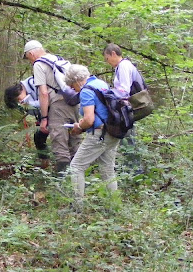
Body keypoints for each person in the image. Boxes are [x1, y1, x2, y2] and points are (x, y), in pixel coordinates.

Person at [23, 40, 81, 174]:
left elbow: (43, 93)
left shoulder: (38, 64)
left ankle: (63, 181)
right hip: (73, 102)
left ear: (31, 53)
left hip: (58, 105)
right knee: (75, 139)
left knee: (59, 141)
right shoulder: (57, 59)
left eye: (28, 58)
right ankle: (80, 175)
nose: (30, 61)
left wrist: (44, 118)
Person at [65, 64, 121, 202]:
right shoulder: (100, 83)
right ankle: (114, 204)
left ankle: (77, 205)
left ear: (77, 80)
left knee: (76, 167)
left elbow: (89, 119)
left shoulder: (86, 91)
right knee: (108, 169)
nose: (73, 89)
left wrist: (79, 126)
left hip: (99, 134)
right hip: (113, 131)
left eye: (72, 85)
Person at [103, 43, 148, 174]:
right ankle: (132, 169)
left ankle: (134, 171)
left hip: (127, 108)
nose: (108, 62)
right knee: (128, 138)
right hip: (126, 108)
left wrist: (109, 92)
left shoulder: (123, 66)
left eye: (107, 58)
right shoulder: (123, 66)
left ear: (113, 54)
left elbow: (124, 91)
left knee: (128, 138)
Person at [4, 77, 50, 168]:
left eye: (18, 99)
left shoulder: (34, 82)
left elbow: (46, 99)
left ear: (17, 91)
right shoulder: (26, 95)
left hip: (55, 110)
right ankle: (45, 163)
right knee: (38, 138)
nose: (19, 102)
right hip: (43, 117)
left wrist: (30, 105)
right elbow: (34, 111)